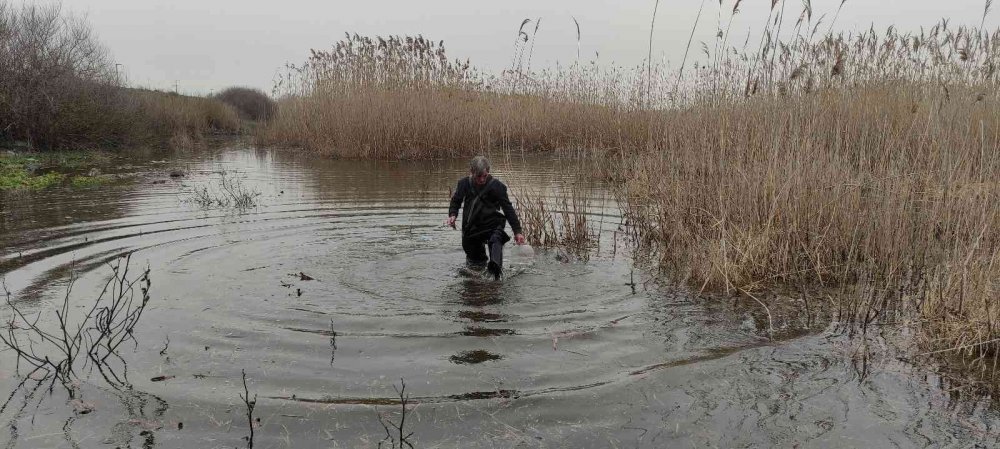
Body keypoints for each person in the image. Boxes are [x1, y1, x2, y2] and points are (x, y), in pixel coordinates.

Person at [447, 156, 526, 280]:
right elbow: (456, 201)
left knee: (496, 240)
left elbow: (508, 209)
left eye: (484, 176)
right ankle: (478, 281)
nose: (482, 179)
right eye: (478, 176)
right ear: (471, 172)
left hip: (492, 225)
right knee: (475, 266)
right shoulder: (464, 184)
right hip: (471, 227)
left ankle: (496, 272)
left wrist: (517, 231)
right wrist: (452, 215)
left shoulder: (497, 186)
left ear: (488, 171)